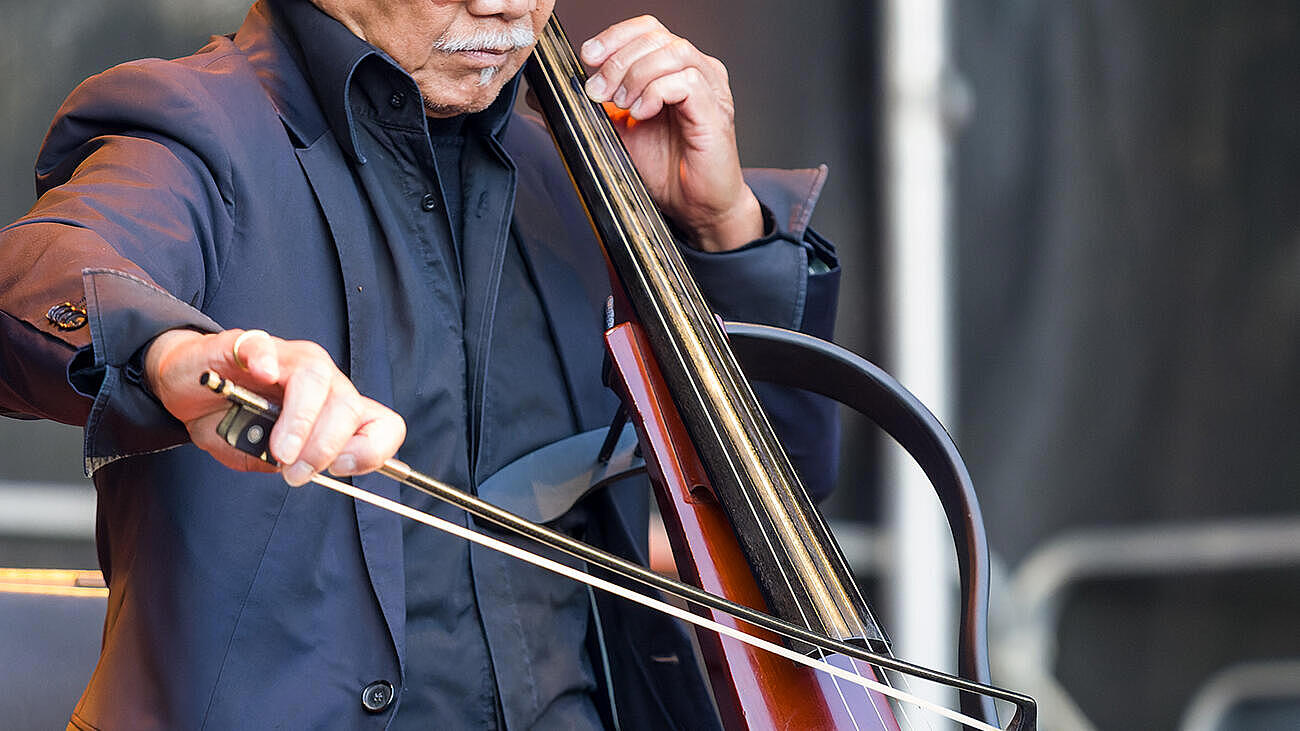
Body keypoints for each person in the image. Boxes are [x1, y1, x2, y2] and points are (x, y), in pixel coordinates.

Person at [0, 0, 839, 727]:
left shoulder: (578, 174)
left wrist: (720, 229)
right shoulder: (192, 123)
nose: (509, 6)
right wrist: (172, 353)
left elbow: (771, 512)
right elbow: (42, 269)